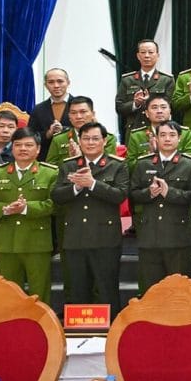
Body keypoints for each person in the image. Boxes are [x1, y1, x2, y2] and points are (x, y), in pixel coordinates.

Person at [51, 122, 128, 315]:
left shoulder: (117, 165)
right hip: (75, 238)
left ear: (105, 141)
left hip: (105, 238)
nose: (90, 142)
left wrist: (93, 184)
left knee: (106, 289)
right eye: (86, 138)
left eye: (95, 138)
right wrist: (76, 187)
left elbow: (120, 195)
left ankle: (110, 330)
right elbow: (57, 196)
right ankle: (79, 331)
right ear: (79, 141)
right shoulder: (69, 165)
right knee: (77, 289)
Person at [0, 128, 58, 303]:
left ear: (38, 149)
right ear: (12, 148)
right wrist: (5, 209)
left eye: (28, 145)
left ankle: (41, 321)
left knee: (39, 293)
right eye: (18, 145)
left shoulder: (51, 173)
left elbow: (55, 204)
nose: (23, 149)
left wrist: (25, 208)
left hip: (37, 243)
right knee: (9, 295)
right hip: (7, 242)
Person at [129, 120, 191, 293]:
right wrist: (149, 193)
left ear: (179, 138)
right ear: (156, 138)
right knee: (150, 290)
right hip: (149, 236)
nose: (167, 139)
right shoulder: (143, 163)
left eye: (172, 135)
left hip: (178, 236)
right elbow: (132, 194)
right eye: (163, 135)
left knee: (179, 291)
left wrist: (170, 193)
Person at [115, 39, 175, 141]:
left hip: (160, 131)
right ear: (138, 56)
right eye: (143, 52)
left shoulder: (166, 80)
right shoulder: (127, 80)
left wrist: (149, 101)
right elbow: (119, 107)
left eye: (150, 52)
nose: (147, 56)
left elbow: (171, 106)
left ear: (157, 55)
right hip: (134, 130)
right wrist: (135, 104)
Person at [125, 93, 191, 169]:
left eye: (163, 107)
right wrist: (150, 155)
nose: (159, 111)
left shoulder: (184, 133)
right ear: (147, 113)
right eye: (154, 108)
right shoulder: (137, 136)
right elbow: (130, 167)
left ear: (170, 111)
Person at [45, 97, 118, 167]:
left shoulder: (107, 138)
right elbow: (51, 169)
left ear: (93, 114)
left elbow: (110, 167)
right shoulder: (59, 139)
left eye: (83, 112)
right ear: (69, 116)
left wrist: (81, 159)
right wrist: (70, 161)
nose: (78, 116)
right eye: (73, 113)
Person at [27, 68, 72, 161]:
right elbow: (30, 136)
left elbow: (87, 130)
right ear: (45, 85)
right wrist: (48, 133)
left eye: (60, 81)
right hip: (46, 159)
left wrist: (63, 130)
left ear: (68, 82)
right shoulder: (38, 109)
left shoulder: (79, 105)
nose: (56, 85)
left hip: (74, 157)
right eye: (51, 82)